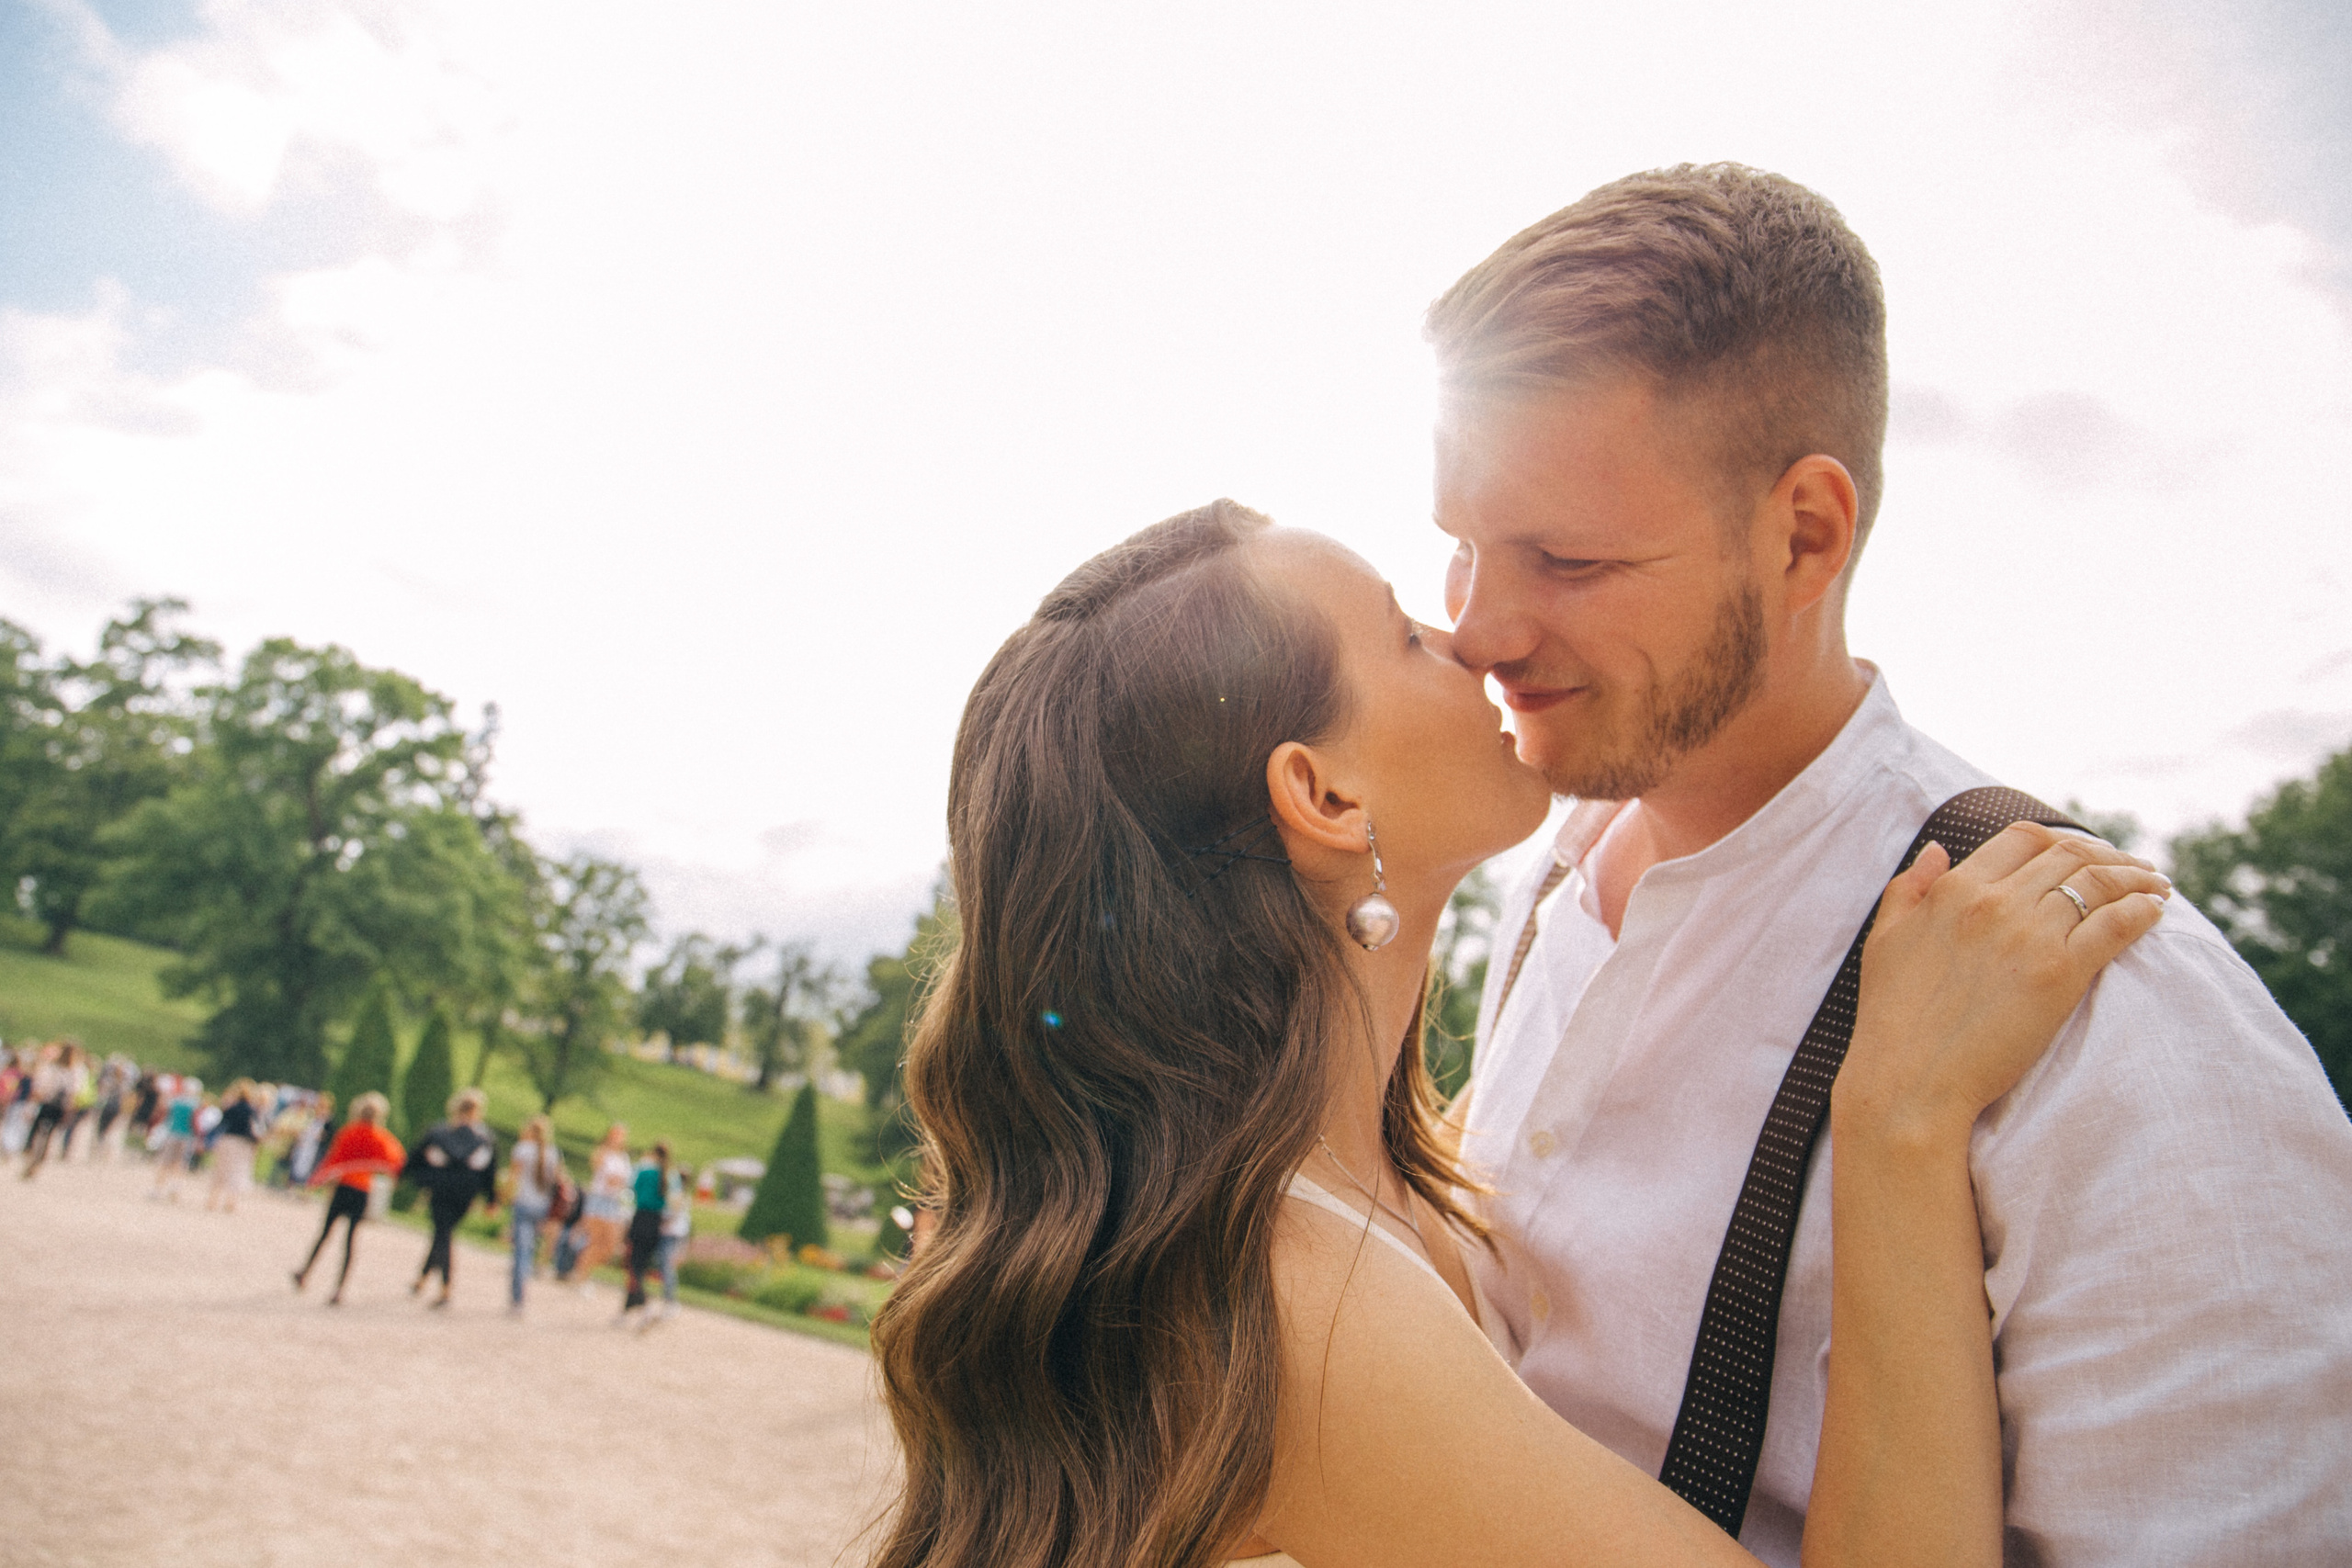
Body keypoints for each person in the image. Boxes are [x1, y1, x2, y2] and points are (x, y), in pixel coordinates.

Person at [869, 500, 2170, 1568]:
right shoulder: (1293, 1295)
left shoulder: (1366, 1198)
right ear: (1323, 794)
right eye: (1404, 635)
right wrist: (1900, 1114)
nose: (1475, 635)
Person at [1424, 164, 2352, 1564]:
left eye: (1565, 558)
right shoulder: (1550, 873)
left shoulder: (2117, 1020)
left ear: (1806, 533)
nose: (1479, 627)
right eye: (1463, 545)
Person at [293, 1091, 403, 1306]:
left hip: (343, 1188)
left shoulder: (349, 1132)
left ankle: (305, 1272)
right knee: (350, 1240)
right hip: (361, 1191)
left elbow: (332, 1159)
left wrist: (315, 1182)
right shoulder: (381, 1137)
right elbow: (397, 1162)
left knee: (325, 1233)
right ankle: (339, 1288)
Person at [405, 1089, 500, 1309]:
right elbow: (490, 1173)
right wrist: (491, 1200)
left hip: (441, 1190)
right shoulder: (485, 1140)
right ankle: (422, 1279)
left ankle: (446, 1288)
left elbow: (417, 1156)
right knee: (442, 1234)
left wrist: (404, 1176)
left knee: (442, 1235)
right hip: (464, 1196)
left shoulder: (440, 1133)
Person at [561, 1122, 632, 1288]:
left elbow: (623, 1180)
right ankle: (580, 1277)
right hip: (600, 1200)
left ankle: (581, 1272)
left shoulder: (623, 1157)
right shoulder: (602, 1153)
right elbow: (608, 1178)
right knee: (594, 1241)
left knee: (610, 1245)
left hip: (615, 1203)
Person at [504, 1113, 563, 1314]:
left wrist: (504, 1196)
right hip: (542, 1207)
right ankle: (524, 1280)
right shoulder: (552, 1152)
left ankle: (517, 1297)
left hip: (523, 1203)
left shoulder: (522, 1149)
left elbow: (512, 1177)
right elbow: (558, 1181)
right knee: (528, 1249)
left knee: (521, 1250)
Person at [618, 1141, 671, 1326]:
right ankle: (625, 1311)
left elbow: (631, 1191)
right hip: (656, 1224)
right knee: (640, 1266)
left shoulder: (646, 1171)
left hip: (641, 1219)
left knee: (634, 1266)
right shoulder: (668, 1175)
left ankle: (644, 1304)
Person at [204, 1080, 264, 1211]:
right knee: (238, 1171)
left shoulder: (232, 1108)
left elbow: (221, 1124)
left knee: (220, 1170)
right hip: (243, 1143)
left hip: (228, 1140)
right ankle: (231, 1202)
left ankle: (213, 1200)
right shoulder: (252, 1111)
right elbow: (256, 1130)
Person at [148, 1075, 202, 1201]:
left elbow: (166, 1117)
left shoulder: (175, 1101)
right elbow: (195, 1123)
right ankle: (175, 1187)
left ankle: (157, 1189)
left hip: (172, 1133)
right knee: (180, 1164)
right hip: (187, 1136)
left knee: (164, 1162)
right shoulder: (195, 1104)